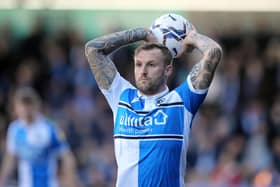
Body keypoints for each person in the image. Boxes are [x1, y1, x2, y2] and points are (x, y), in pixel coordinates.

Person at [85, 20, 222, 187]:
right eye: (139, 64)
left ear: (168, 70)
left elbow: (213, 52)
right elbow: (93, 49)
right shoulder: (121, 96)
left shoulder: (181, 102)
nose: (143, 71)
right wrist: (141, 34)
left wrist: (193, 38)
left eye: (151, 65)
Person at [0, 87, 80, 187]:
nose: (25, 109)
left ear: (36, 105)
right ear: (16, 107)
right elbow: (10, 158)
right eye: (22, 104)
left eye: (28, 104)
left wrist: (71, 181)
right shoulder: (14, 129)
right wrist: (2, 180)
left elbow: (67, 157)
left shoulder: (50, 128)